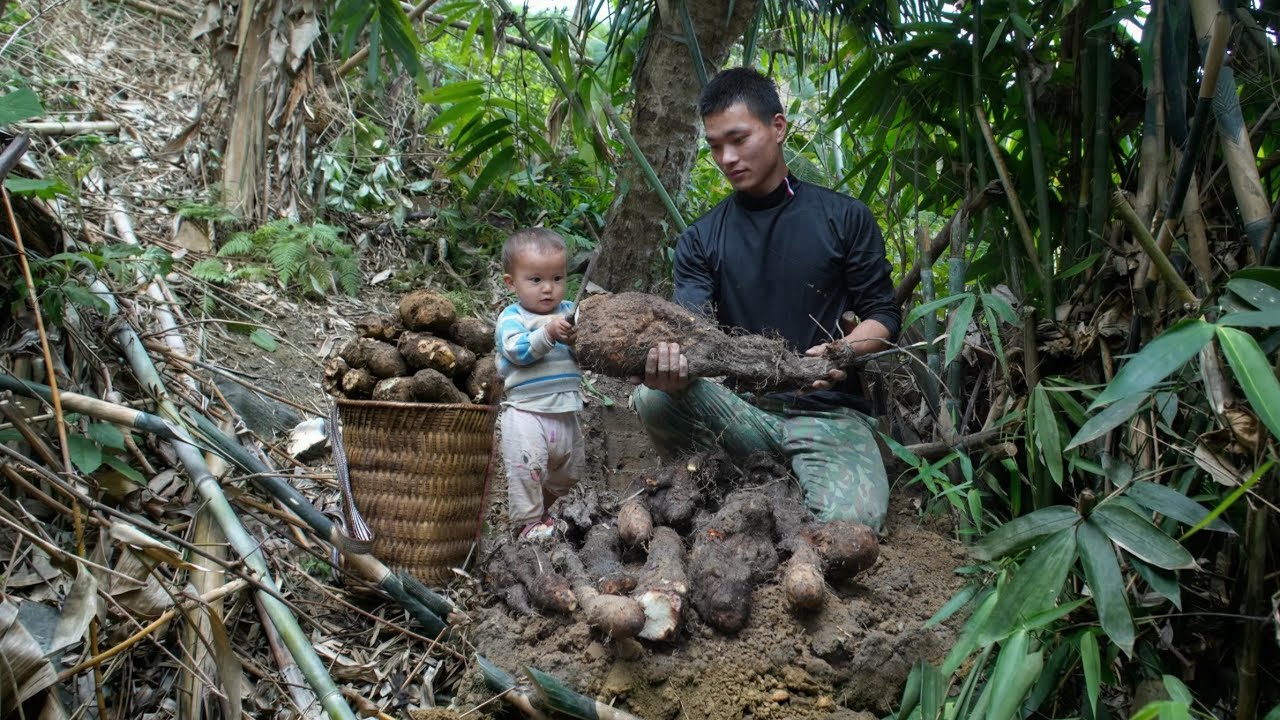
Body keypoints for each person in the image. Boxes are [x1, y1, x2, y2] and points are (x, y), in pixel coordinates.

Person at [633, 67, 902, 532]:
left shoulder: (844, 218)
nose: (727, 158)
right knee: (653, 398)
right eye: (715, 146)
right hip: (741, 414)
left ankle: (773, 490)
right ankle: (721, 488)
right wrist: (670, 365)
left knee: (850, 527)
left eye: (738, 139)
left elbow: (883, 313)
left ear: (778, 127)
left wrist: (841, 352)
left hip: (828, 414)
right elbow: (692, 332)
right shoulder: (700, 239)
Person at [495, 228, 584, 541]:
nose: (548, 288)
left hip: (566, 411)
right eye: (535, 280)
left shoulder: (571, 312)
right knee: (528, 470)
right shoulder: (512, 317)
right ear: (511, 283)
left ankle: (542, 513)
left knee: (570, 472)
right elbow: (516, 351)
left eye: (557, 278)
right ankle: (528, 523)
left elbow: (586, 355)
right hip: (527, 412)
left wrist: (576, 340)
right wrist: (548, 333)